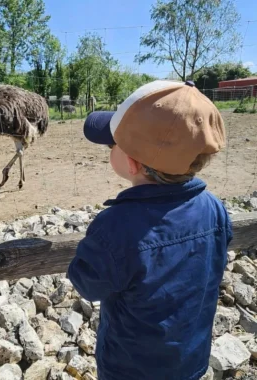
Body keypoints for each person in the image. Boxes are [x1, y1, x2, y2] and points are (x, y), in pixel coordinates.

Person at [67, 80, 233, 380]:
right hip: (190, 362)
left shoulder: (115, 227)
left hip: (130, 369)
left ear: (131, 162)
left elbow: (87, 284)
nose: (108, 148)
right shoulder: (215, 208)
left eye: (111, 143)